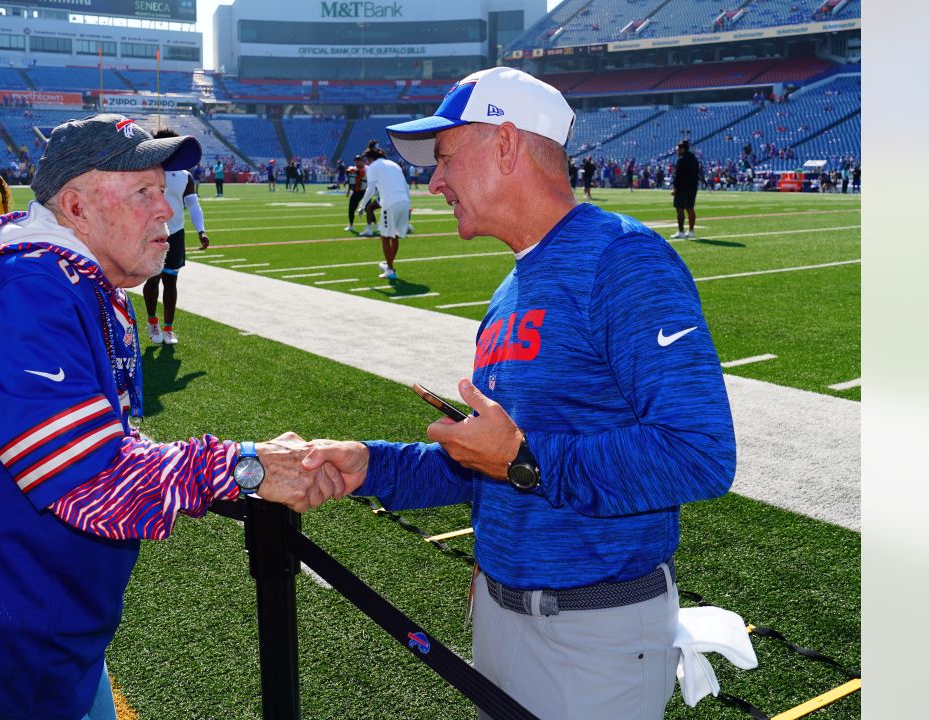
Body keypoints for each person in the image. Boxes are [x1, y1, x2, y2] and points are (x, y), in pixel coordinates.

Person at [0, 113, 342, 720]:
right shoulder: (25, 297)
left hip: (39, 620)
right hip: (0, 647)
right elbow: (92, 480)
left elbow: (104, 440)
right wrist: (243, 467)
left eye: (162, 190)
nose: (166, 210)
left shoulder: (64, 282)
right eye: (143, 192)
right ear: (76, 207)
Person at [301, 67, 736, 720]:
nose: (435, 181)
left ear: (506, 145)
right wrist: (369, 464)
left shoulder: (624, 260)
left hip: (593, 636)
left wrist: (524, 457)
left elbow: (699, 454)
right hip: (504, 617)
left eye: (445, 158)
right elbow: (486, 465)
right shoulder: (511, 289)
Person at [143, 128, 210, 346]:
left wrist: (201, 230)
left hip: (176, 232)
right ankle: (152, 321)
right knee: (153, 278)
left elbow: (193, 204)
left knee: (171, 281)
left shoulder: (184, 175)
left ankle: (168, 328)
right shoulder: (147, 172)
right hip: (153, 231)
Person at [355, 143, 411, 280]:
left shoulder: (373, 167)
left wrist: (362, 206)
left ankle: (390, 270)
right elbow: (405, 186)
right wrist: (408, 206)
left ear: (370, 159)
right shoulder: (394, 164)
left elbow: (370, 189)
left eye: (367, 160)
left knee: (385, 237)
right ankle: (389, 264)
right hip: (404, 201)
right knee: (395, 236)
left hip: (390, 203)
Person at [672, 140, 701, 239]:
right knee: (690, 208)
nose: (677, 151)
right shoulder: (694, 159)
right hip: (692, 187)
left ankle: (681, 231)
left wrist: (675, 188)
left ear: (682, 149)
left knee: (680, 209)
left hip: (682, 188)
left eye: (678, 149)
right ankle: (691, 231)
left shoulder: (681, 159)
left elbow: (678, 175)